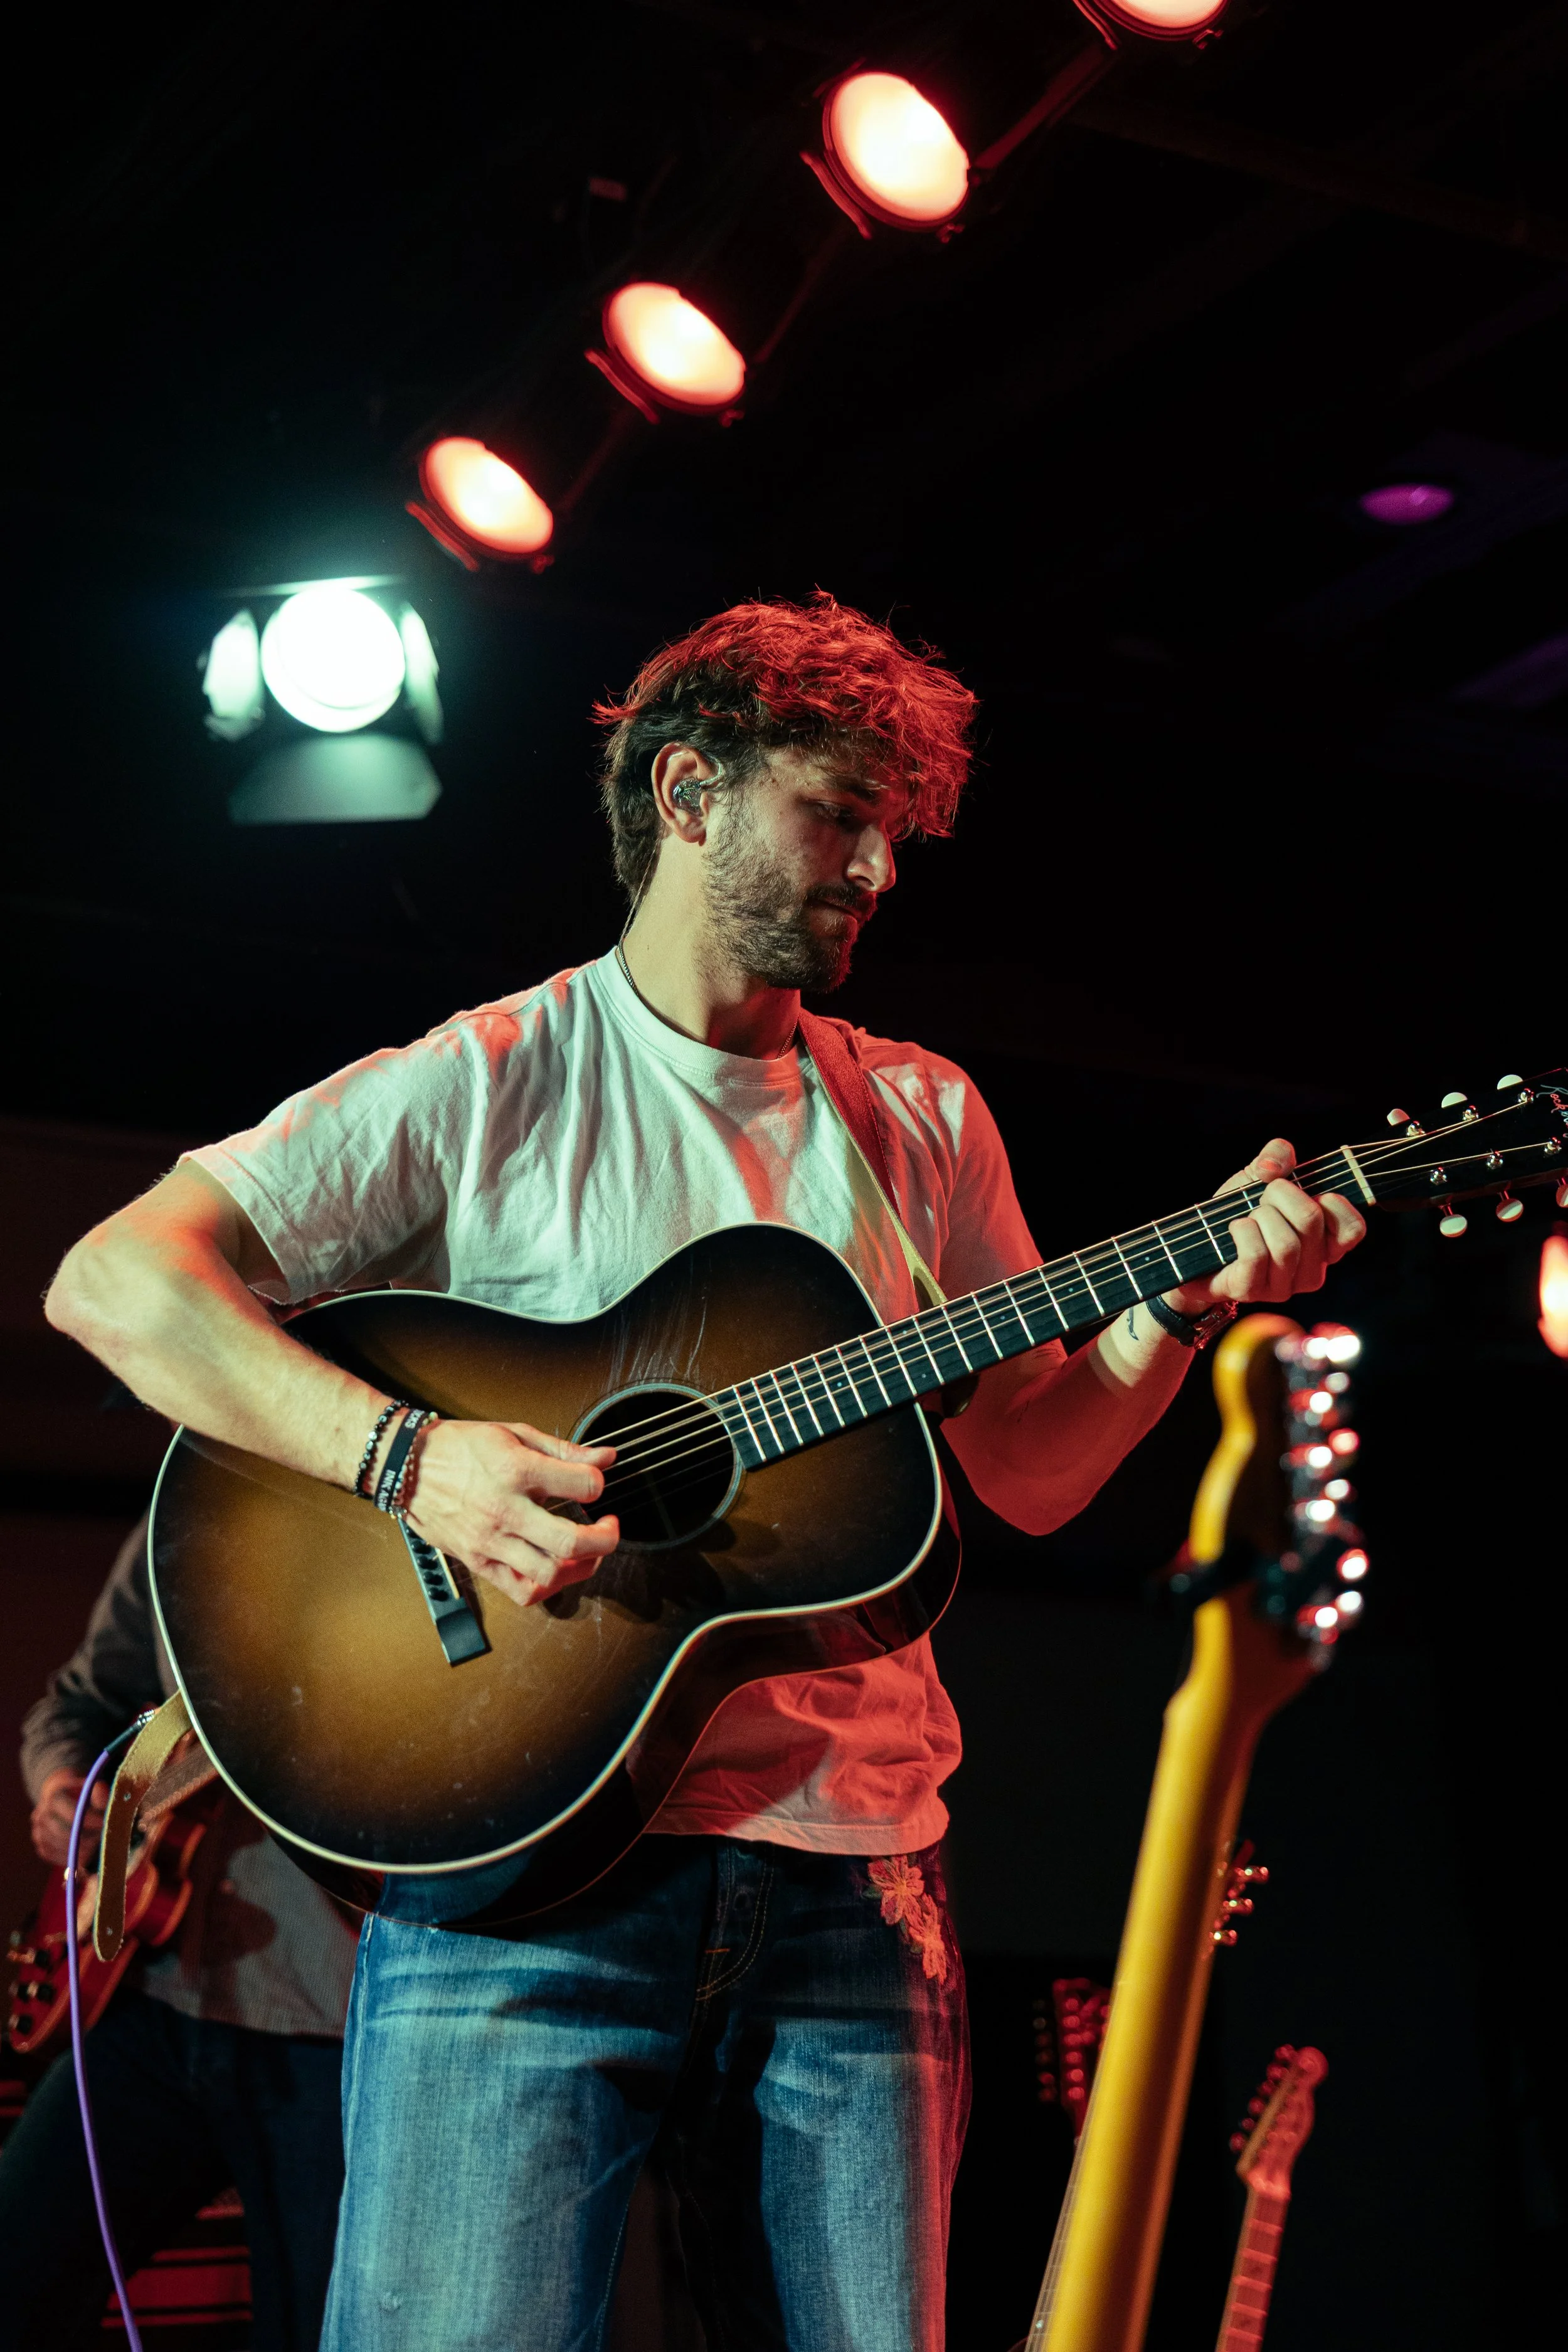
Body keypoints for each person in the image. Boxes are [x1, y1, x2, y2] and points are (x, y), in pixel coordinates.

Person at [42, 595, 1365, 2351]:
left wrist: (1178, 1313)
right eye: (838, 812)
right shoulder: (490, 1076)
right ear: (686, 791)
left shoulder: (922, 1114)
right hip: (521, 1883)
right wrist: (412, 1458)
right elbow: (116, 1276)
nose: (878, 869)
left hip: (857, 1888)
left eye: (895, 832)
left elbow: (1030, 1472)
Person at [0, 1514, 357, 2352]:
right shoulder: (181, 1513)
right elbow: (81, 1698)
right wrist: (65, 1788)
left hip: (326, 2021)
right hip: (149, 1995)